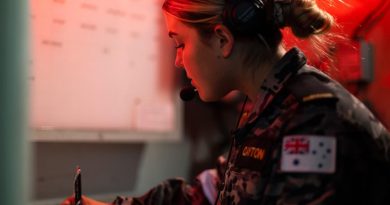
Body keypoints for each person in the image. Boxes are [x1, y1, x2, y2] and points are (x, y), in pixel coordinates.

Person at [61, 0, 390, 204]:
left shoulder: (313, 119)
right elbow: (211, 193)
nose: (178, 61)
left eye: (180, 44)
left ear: (222, 40)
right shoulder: (267, 104)